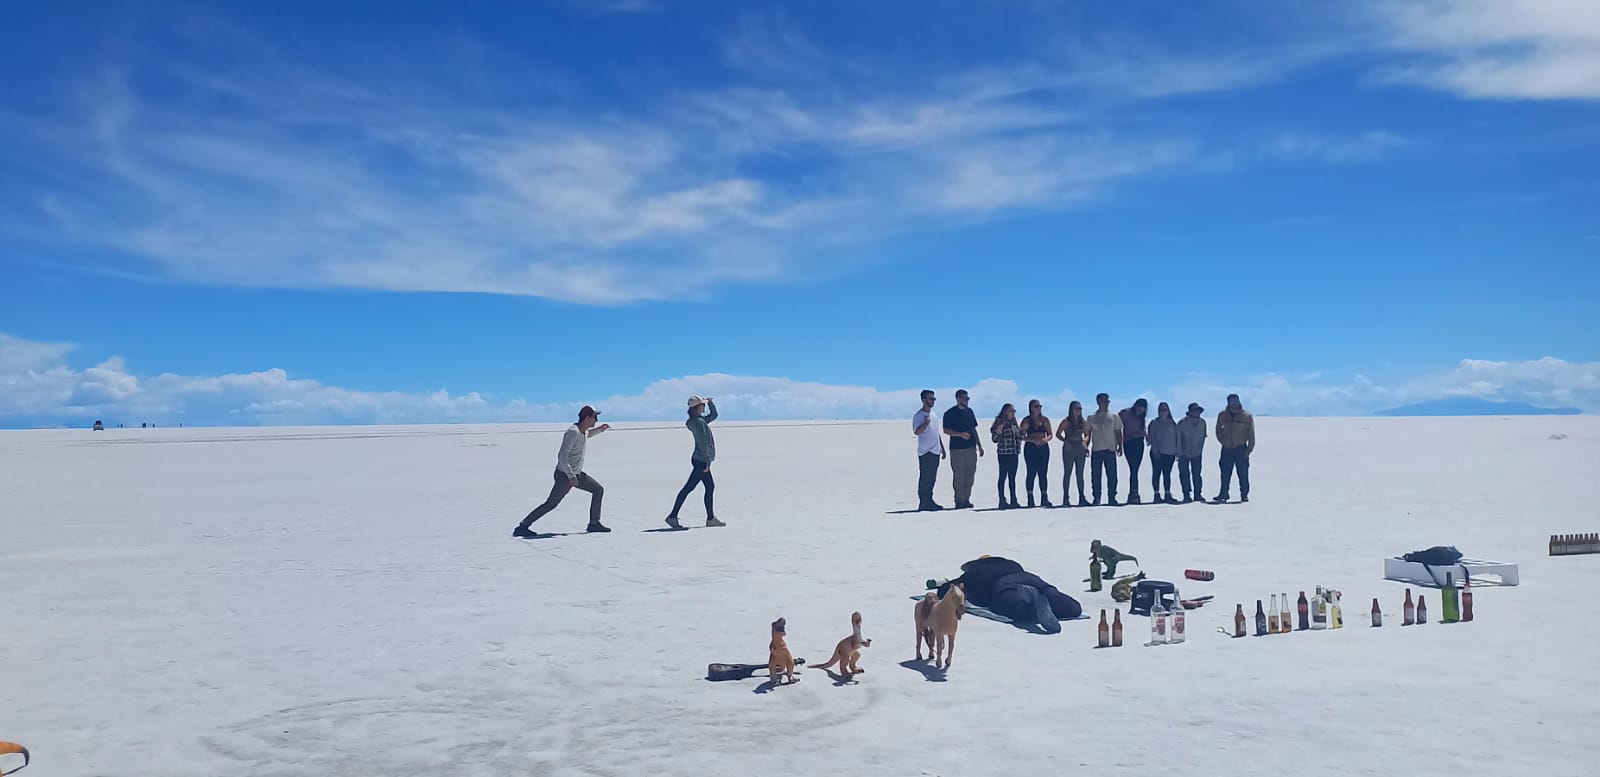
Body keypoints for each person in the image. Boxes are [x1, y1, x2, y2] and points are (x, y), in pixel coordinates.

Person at [513, 405, 613, 537]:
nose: (597, 420)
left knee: (598, 489)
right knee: (551, 503)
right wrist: (570, 475)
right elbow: (562, 455)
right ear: (587, 417)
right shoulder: (573, 432)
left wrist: (600, 430)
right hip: (565, 475)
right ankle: (523, 526)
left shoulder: (582, 431)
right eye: (595, 417)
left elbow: (588, 434)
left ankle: (594, 524)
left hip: (576, 474)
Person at [935, 555, 1084, 634]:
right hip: (1028, 577)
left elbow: (945, 590)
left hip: (1003, 584)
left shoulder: (971, 574)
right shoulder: (1011, 564)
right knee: (1070, 607)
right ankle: (1050, 600)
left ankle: (1031, 603)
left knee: (1017, 610)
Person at [666, 396, 727, 528]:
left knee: (708, 487)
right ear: (697, 407)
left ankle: (710, 518)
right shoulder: (698, 423)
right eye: (702, 405)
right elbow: (703, 443)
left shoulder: (699, 420)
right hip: (701, 460)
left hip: (700, 459)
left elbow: (714, 415)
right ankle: (672, 516)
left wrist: (711, 403)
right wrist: (707, 461)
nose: (704, 407)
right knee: (689, 488)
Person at [942, 389, 985, 509]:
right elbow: (946, 430)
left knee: (970, 475)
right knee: (959, 476)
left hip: (971, 448)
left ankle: (966, 499)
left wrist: (979, 445)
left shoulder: (970, 412)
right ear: (958, 398)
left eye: (968, 398)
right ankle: (959, 500)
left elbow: (973, 429)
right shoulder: (950, 413)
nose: (966, 400)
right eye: (964, 398)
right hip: (957, 449)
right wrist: (960, 434)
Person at [1213, 393, 1256, 503]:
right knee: (1225, 473)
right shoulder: (1223, 415)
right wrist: (1223, 441)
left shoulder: (1246, 416)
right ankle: (1224, 493)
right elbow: (1218, 429)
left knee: (1243, 474)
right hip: (1227, 448)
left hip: (1240, 448)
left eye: (1235, 401)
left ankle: (1244, 494)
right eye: (1231, 401)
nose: (1233, 403)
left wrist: (1249, 449)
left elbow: (1251, 434)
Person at [1086, 393, 1124, 506]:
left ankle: (1112, 497)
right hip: (1097, 449)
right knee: (1096, 475)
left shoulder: (1114, 416)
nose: (1106, 404)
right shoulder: (1091, 418)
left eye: (1107, 401)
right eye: (1104, 401)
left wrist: (1120, 446)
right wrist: (1086, 447)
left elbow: (1118, 432)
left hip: (1110, 449)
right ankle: (1096, 497)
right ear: (1098, 402)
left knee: (1112, 475)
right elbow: (1088, 434)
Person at [912, 390, 946, 511]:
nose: (933, 401)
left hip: (935, 451)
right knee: (925, 477)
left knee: (932, 477)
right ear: (923, 400)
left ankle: (930, 500)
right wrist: (925, 423)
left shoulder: (934, 415)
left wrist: (942, 447)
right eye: (930, 399)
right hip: (925, 452)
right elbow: (916, 432)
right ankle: (923, 502)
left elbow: (936, 432)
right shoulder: (919, 416)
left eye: (934, 399)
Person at [1055, 400, 1090, 507]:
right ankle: (1065, 498)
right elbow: (1058, 434)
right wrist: (1065, 441)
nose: (1078, 411)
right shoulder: (1066, 421)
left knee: (1080, 473)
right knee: (1068, 473)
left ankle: (1081, 497)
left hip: (1079, 448)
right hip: (1069, 449)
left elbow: (1087, 434)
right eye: (1076, 408)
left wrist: (1085, 442)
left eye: (1080, 409)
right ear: (1071, 409)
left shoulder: (1082, 421)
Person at [1020, 399, 1053, 507]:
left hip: (1043, 448)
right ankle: (1030, 498)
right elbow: (1021, 436)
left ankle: (1044, 497)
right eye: (1036, 406)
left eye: (1039, 406)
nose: (1038, 408)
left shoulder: (1045, 420)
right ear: (1031, 408)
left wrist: (1045, 440)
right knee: (1031, 472)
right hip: (1031, 448)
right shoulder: (1027, 421)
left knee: (1043, 473)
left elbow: (1050, 434)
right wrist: (1033, 441)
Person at [1146, 402, 1180, 504]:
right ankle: (1156, 494)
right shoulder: (1154, 423)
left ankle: (1167, 494)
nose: (1163, 412)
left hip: (1170, 453)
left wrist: (1177, 451)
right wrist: (1156, 451)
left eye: (1165, 410)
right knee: (1156, 474)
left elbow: (1177, 438)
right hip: (1158, 453)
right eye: (1161, 410)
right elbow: (1152, 438)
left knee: (1167, 474)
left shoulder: (1173, 424)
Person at [990, 403, 1022, 509]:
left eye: (1014, 411)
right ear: (1005, 411)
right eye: (1011, 411)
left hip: (1013, 453)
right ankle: (1002, 500)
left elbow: (1019, 436)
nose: (1013, 413)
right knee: (1003, 476)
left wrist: (1023, 431)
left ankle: (1014, 499)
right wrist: (999, 430)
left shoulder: (1014, 423)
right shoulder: (1000, 422)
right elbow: (994, 439)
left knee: (1012, 478)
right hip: (1004, 453)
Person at [1118, 398, 1149, 504]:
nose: (1140, 409)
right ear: (1135, 406)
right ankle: (1133, 493)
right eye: (1139, 407)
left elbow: (1142, 428)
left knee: (1135, 469)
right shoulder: (1125, 413)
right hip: (1129, 443)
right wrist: (1119, 442)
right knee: (1133, 468)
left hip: (1139, 443)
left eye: (1143, 408)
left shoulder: (1141, 417)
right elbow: (1117, 425)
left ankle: (1134, 493)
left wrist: (1146, 435)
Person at [1176, 402, 1208, 503]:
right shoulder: (1182, 423)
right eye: (1195, 411)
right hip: (1184, 453)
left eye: (1198, 411)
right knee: (1184, 474)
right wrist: (1179, 452)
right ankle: (1186, 494)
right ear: (1190, 412)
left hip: (1197, 452)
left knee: (1197, 474)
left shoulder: (1203, 423)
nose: (1197, 413)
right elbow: (1178, 438)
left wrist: (1200, 449)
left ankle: (1197, 494)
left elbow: (1203, 437)